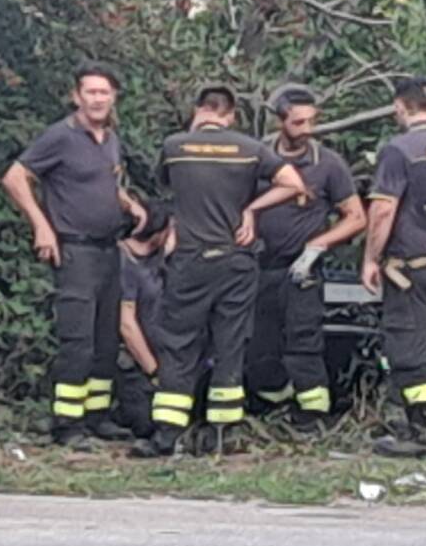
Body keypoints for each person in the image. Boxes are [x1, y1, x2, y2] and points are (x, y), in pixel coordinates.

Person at [131, 85, 308, 458]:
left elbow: (172, 196)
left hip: (190, 260)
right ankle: (222, 435)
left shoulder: (175, 146)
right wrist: (252, 209)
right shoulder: (250, 148)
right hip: (236, 260)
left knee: (179, 344)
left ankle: (168, 435)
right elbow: (294, 184)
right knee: (230, 343)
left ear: (199, 110)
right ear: (230, 115)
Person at [1, 63, 147, 448]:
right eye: (91, 92)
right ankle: (67, 425)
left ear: (113, 97)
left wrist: (129, 203)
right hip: (75, 249)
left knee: (104, 340)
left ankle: (96, 418)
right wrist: (41, 225)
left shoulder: (110, 138)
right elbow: (15, 177)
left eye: (104, 93)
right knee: (78, 340)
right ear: (76, 96)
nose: (98, 99)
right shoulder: (60, 137)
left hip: (108, 250)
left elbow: (106, 182)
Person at [246, 85, 367, 429]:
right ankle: (271, 407)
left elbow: (356, 217)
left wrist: (318, 246)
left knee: (304, 342)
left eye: (312, 121)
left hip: (302, 270)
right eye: (298, 123)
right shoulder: (258, 158)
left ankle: (313, 416)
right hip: (259, 267)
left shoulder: (328, 164)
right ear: (281, 121)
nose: (307, 129)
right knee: (258, 345)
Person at [361, 77, 426, 457]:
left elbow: (384, 206)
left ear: (399, 108)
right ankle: (400, 422)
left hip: (407, 265)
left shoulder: (399, 149)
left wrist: (371, 258)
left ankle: (421, 435)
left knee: (408, 346)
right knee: (411, 337)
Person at [114, 201, 174, 439]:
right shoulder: (122, 263)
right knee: (148, 425)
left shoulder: (155, 258)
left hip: (161, 357)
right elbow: (126, 325)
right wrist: (153, 371)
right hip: (136, 365)